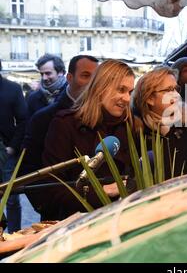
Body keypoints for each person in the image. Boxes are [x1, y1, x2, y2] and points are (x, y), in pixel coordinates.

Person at [40, 59, 135, 220]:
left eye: (130, 92)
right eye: (121, 90)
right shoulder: (65, 124)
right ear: (100, 88)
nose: (127, 98)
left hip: (120, 220)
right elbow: (52, 188)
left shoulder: (128, 126)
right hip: (78, 224)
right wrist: (103, 192)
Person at [21, 55, 98, 217]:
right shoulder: (44, 117)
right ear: (70, 77)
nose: (92, 83)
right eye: (85, 76)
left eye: (96, 77)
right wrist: (45, 206)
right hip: (59, 215)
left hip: (94, 210)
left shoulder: (101, 114)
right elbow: (28, 167)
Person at [133, 67, 187, 178]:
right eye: (169, 90)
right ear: (150, 98)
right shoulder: (138, 132)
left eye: (176, 89)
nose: (177, 95)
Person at [0, 59, 27, 233]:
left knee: (11, 197)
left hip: (7, 150)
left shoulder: (13, 88)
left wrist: (12, 148)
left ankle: (15, 234)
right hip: (8, 149)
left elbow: (23, 120)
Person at [27, 54, 67, 118]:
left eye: (48, 73)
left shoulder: (73, 94)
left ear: (60, 72)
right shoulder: (33, 98)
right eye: (41, 74)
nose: (44, 78)